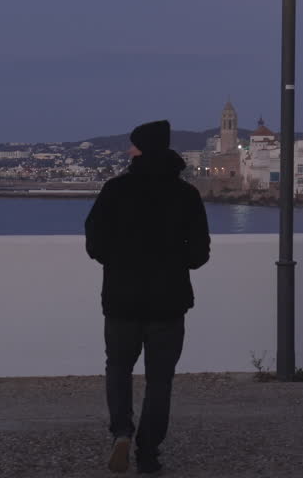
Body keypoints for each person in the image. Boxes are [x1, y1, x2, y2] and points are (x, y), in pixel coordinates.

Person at [85, 120, 211, 474]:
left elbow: (94, 242)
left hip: (121, 299)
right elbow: (199, 254)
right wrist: (173, 261)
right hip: (169, 302)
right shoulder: (186, 194)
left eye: (134, 145)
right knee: (160, 379)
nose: (129, 151)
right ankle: (149, 451)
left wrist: (119, 261)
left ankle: (121, 433)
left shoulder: (115, 190)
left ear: (143, 149)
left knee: (118, 368)